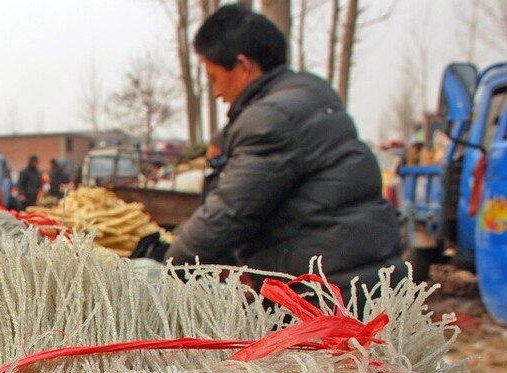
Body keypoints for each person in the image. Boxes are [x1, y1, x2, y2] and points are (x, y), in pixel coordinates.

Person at [164, 4, 403, 294]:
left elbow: (228, 213)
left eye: (214, 77)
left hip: (330, 295)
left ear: (243, 66)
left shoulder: (272, 118)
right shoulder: (304, 101)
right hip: (363, 280)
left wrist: (169, 270)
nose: (216, 92)